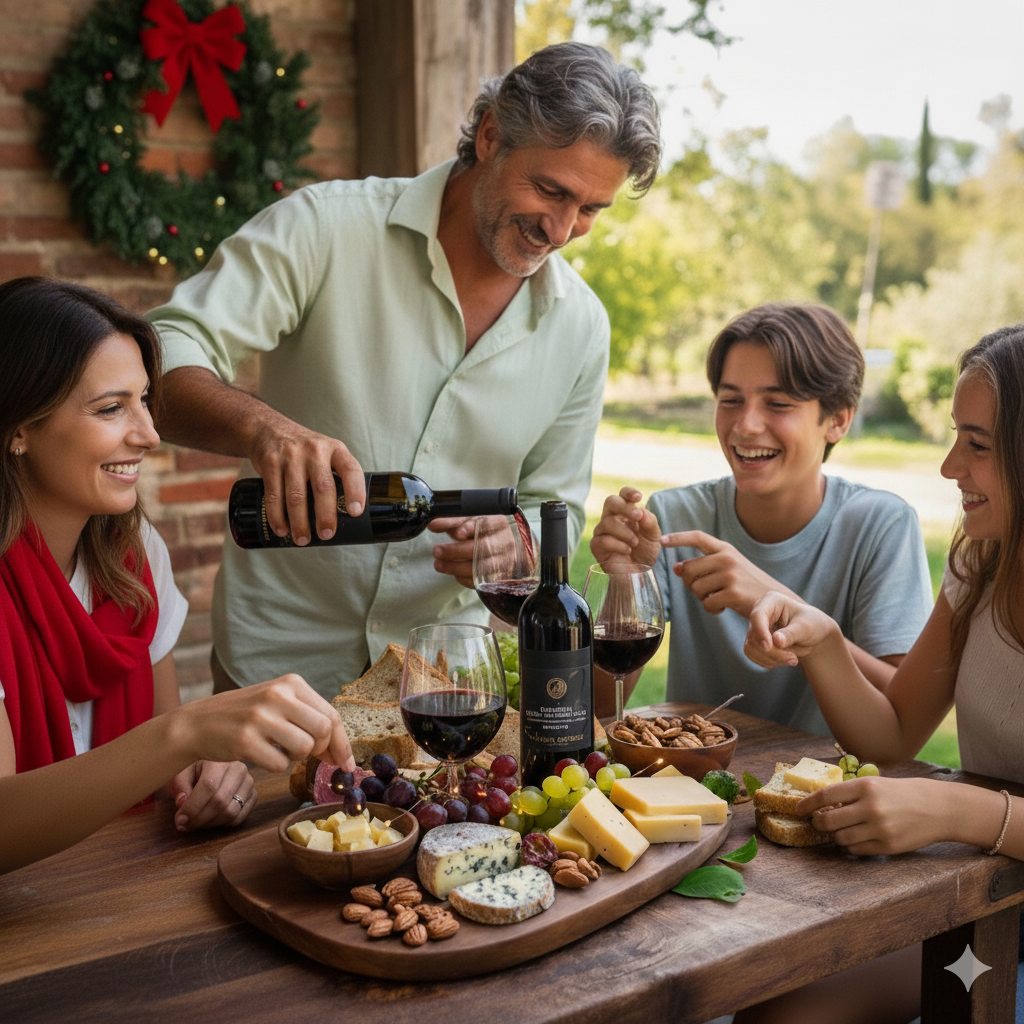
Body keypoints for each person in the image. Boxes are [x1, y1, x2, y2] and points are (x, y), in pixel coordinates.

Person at [146, 42, 662, 698]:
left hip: (448, 681)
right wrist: (261, 429)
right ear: (491, 136)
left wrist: (516, 543)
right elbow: (161, 349)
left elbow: (550, 503)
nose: (561, 229)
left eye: (590, 209)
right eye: (550, 189)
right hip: (275, 670)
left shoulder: (582, 326)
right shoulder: (324, 228)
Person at [0, 277, 353, 876]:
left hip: (119, 896)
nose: (149, 434)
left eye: (144, 401)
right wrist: (185, 733)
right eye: (111, 408)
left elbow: (163, 776)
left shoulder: (134, 554)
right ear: (19, 428)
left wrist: (206, 778)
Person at [733, 322, 1024, 1024]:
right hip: (984, 896)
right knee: (773, 1006)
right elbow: (893, 735)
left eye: (977, 445)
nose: (951, 466)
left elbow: (952, 804)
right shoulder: (982, 563)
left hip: (999, 912)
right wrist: (823, 640)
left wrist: (959, 811)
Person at [589, 303, 933, 729]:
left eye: (779, 404)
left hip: (830, 786)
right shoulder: (675, 516)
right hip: (696, 787)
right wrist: (623, 583)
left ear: (838, 420)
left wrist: (773, 599)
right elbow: (596, 708)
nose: (746, 424)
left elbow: (903, 719)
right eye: (730, 400)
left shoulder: (880, 525)